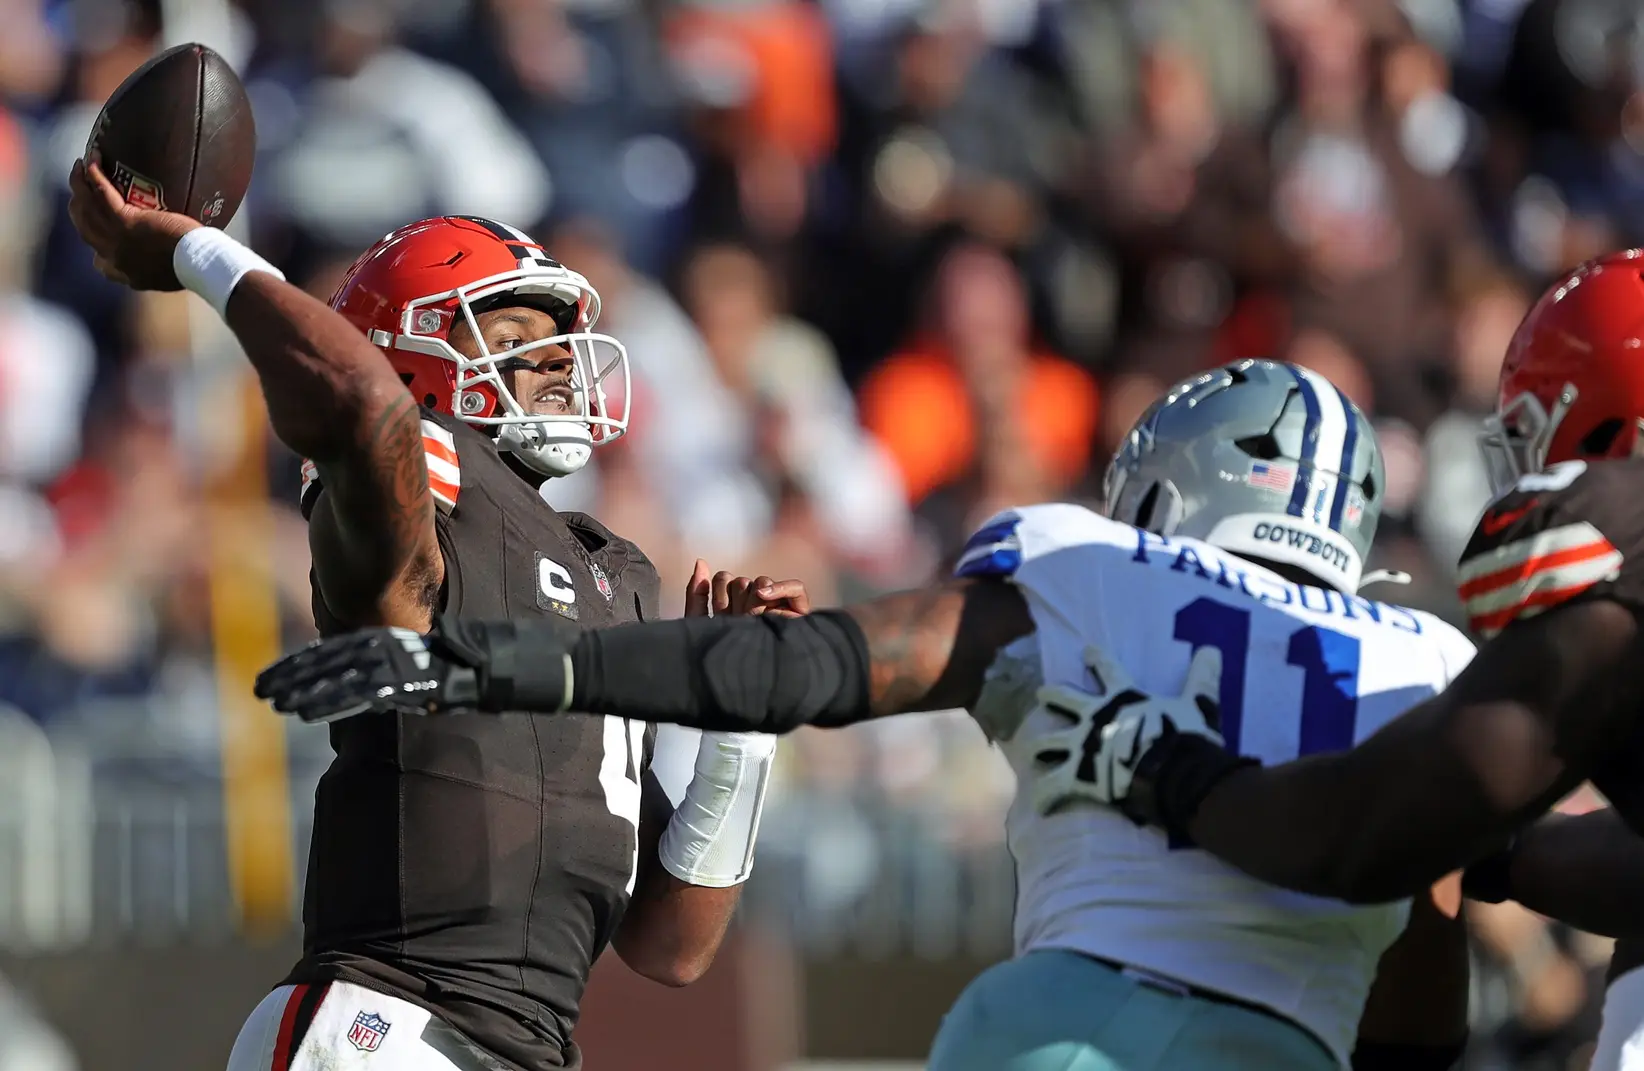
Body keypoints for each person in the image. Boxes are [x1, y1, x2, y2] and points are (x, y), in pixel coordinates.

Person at [258, 359, 1481, 1070]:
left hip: (1063, 1031)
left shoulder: (1095, 566)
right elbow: (1425, 1009)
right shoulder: (1424, 663)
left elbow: (824, 669)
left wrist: (497, 663)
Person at [66, 160, 803, 1071]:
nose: (557, 360)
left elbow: (671, 945)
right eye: (518, 332)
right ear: (408, 351)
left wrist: (743, 730)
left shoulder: (614, 575)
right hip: (390, 1025)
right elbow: (363, 410)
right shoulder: (424, 503)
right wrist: (198, 253)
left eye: (560, 338)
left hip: (527, 1046)